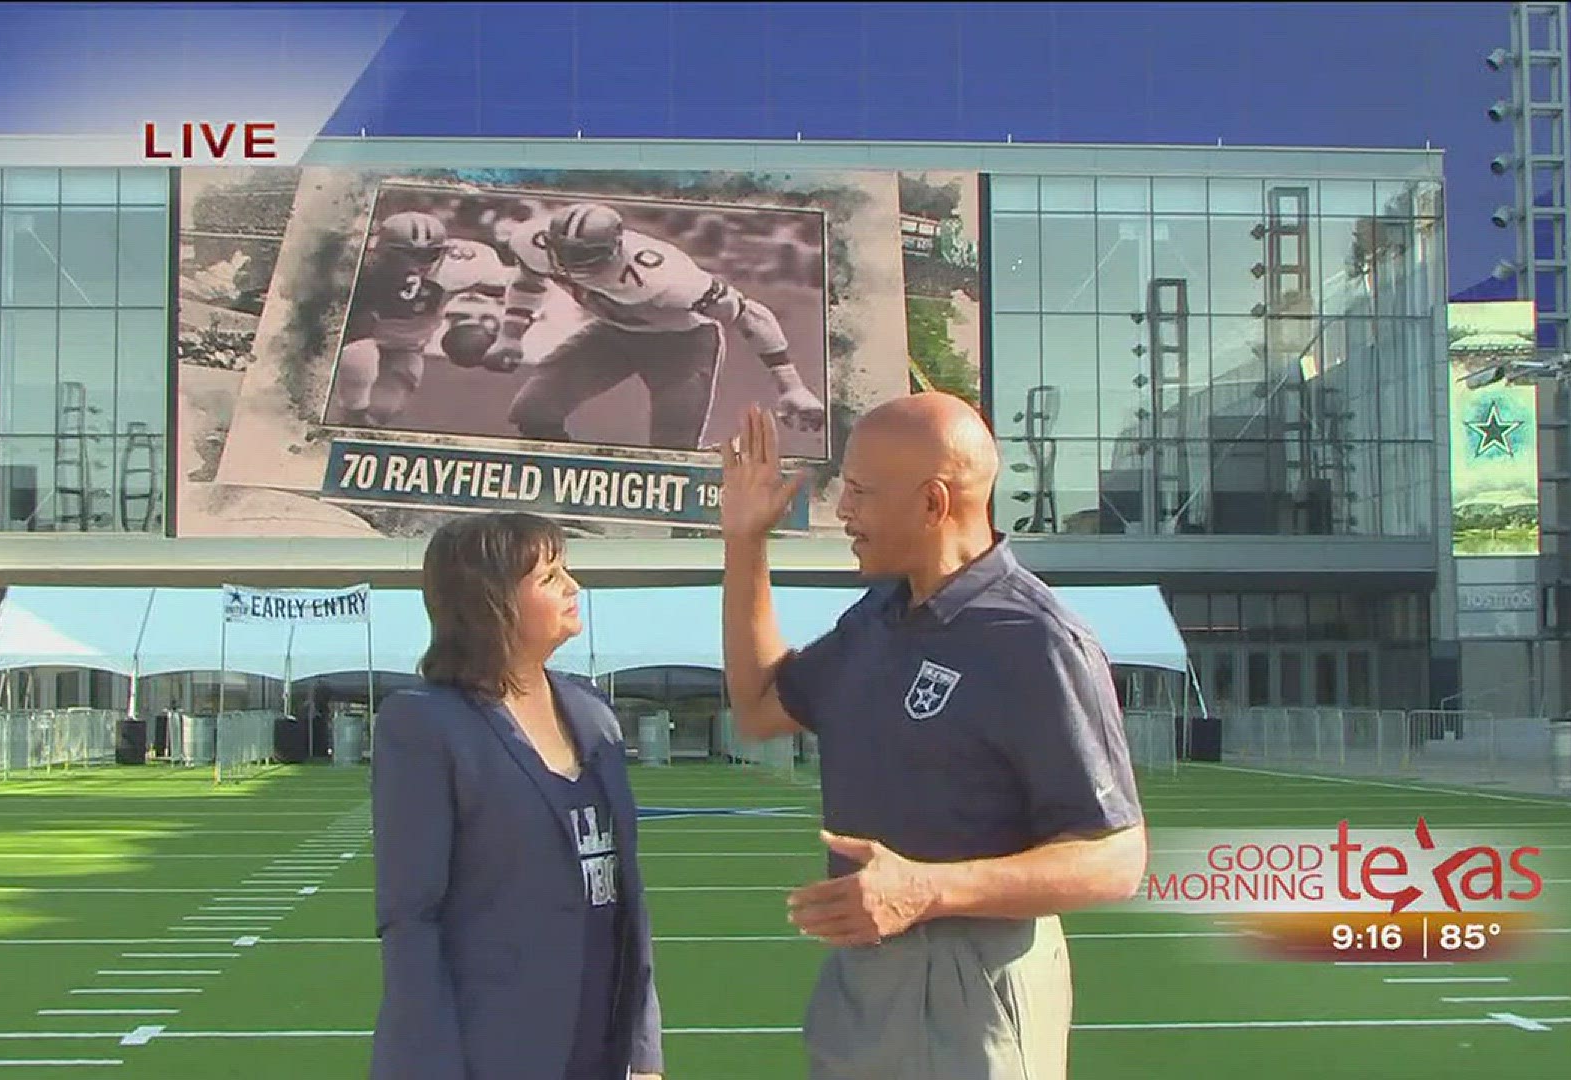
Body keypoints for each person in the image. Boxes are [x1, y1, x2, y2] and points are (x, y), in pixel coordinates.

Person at [717, 394, 1149, 1079]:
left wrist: (931, 889)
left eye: (859, 492)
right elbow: (761, 706)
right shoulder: (881, 615)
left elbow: (1116, 858)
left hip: (976, 981)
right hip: (867, 977)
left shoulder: (1035, 640)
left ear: (933, 504)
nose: (843, 511)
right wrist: (744, 542)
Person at [371, 511, 663, 1080]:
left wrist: (643, 1051)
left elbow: (630, 904)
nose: (574, 588)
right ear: (492, 599)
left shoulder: (594, 716)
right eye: (550, 576)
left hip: (601, 1045)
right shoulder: (424, 725)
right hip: (488, 1049)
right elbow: (411, 918)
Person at [479, 200, 826, 450]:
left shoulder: (665, 277)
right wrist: (510, 335)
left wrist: (791, 386)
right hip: (613, 333)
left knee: (672, 447)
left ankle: (683, 526)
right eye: (565, 255)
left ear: (617, 247)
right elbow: (527, 282)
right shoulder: (533, 243)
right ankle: (557, 494)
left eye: (585, 257)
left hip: (681, 343)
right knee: (533, 410)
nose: (573, 266)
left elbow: (751, 314)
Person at [328, 209, 511, 428]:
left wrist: (492, 335)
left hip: (402, 346)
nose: (418, 263)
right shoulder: (357, 265)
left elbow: (499, 290)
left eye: (429, 254)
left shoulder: (461, 265)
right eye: (405, 254)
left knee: (380, 411)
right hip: (341, 337)